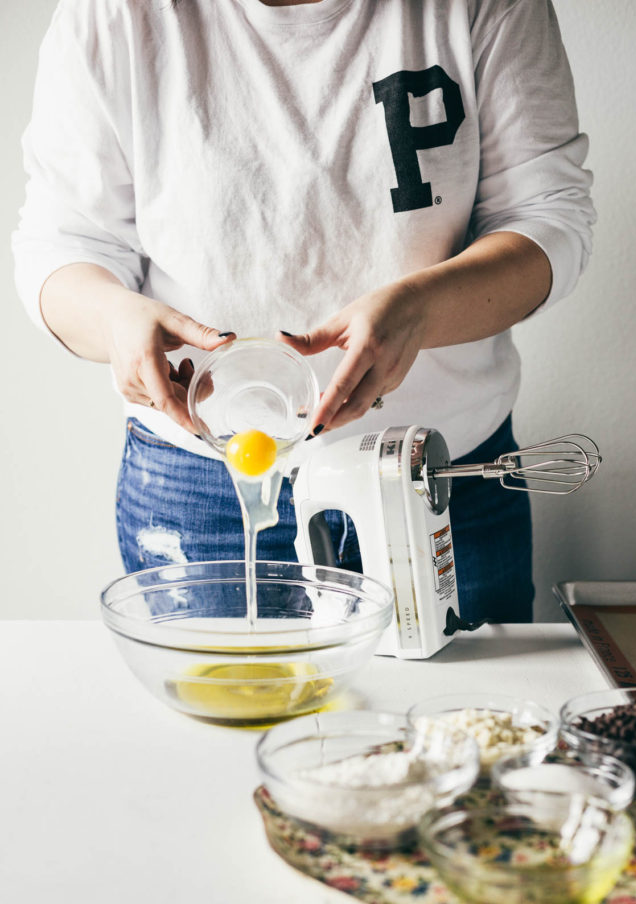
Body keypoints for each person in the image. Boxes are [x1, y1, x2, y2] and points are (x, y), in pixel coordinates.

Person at [13, 0, 595, 624]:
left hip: (437, 474)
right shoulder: (112, 15)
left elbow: (548, 220)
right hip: (202, 483)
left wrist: (420, 310)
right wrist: (115, 322)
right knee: (229, 715)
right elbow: (64, 244)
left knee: (454, 722)